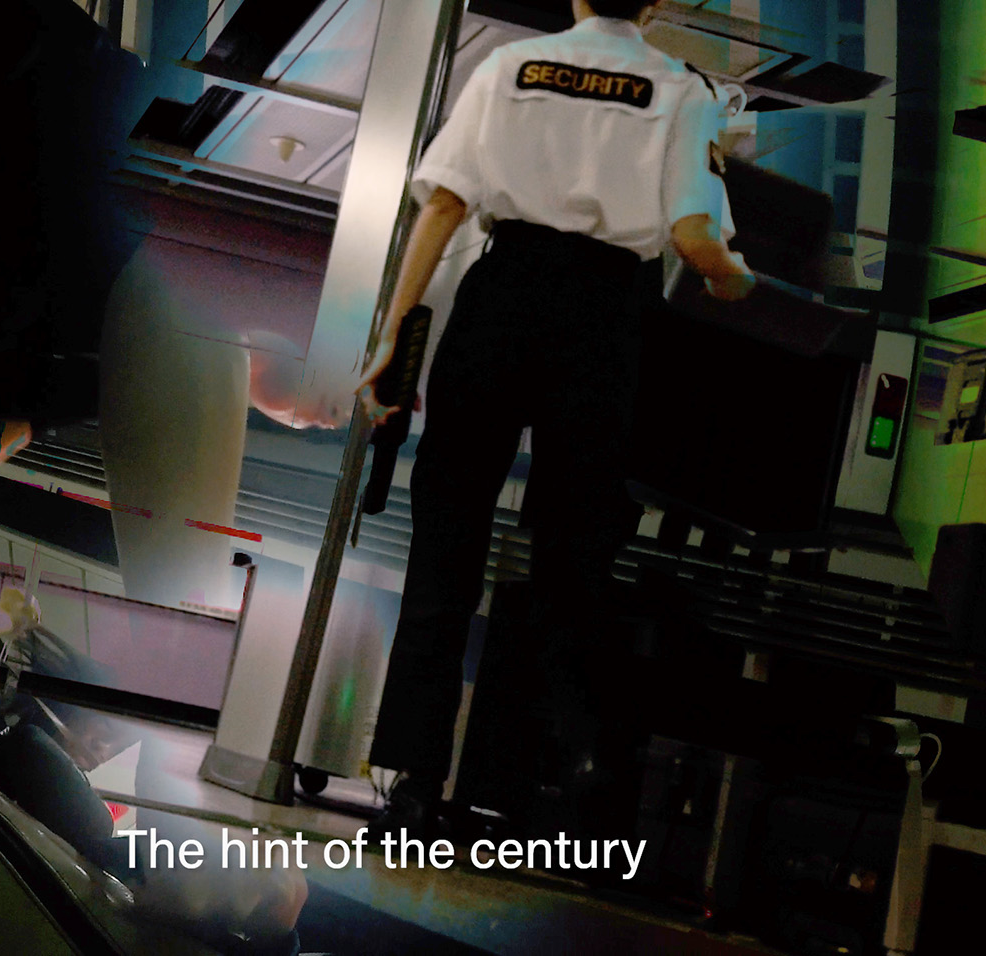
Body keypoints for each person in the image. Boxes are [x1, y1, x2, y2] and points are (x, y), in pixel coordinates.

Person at [357, 0, 755, 841]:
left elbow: (443, 206)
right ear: (655, 3)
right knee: (573, 563)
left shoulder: (509, 66)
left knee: (446, 544)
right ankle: (533, 790)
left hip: (500, 299)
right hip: (605, 322)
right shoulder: (682, 90)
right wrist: (736, 281)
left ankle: (411, 784)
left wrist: (393, 331)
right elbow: (694, 238)